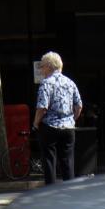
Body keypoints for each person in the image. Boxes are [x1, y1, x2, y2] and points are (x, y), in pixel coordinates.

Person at [32, 51, 83, 185]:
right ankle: (69, 191)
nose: (41, 69)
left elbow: (42, 108)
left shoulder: (46, 83)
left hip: (49, 127)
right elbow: (78, 106)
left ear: (49, 66)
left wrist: (36, 123)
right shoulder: (70, 82)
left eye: (42, 66)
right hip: (68, 128)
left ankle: (51, 192)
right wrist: (72, 120)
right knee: (68, 162)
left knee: (49, 161)